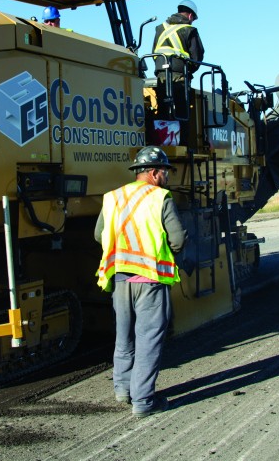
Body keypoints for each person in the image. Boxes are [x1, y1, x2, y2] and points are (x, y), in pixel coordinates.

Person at [95, 146, 186, 418]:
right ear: (155, 173)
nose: (167, 177)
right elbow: (178, 240)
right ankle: (144, 401)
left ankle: (123, 391)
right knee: (148, 340)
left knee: (124, 339)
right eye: (166, 172)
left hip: (120, 279)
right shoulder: (161, 199)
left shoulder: (113, 197)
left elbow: (99, 234)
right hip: (150, 280)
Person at [152, 0, 204, 116]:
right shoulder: (190, 30)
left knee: (164, 111)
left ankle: (164, 132)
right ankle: (181, 134)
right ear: (190, 15)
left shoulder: (160, 28)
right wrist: (188, 70)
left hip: (161, 76)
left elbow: (155, 53)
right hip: (179, 77)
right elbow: (197, 56)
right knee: (182, 114)